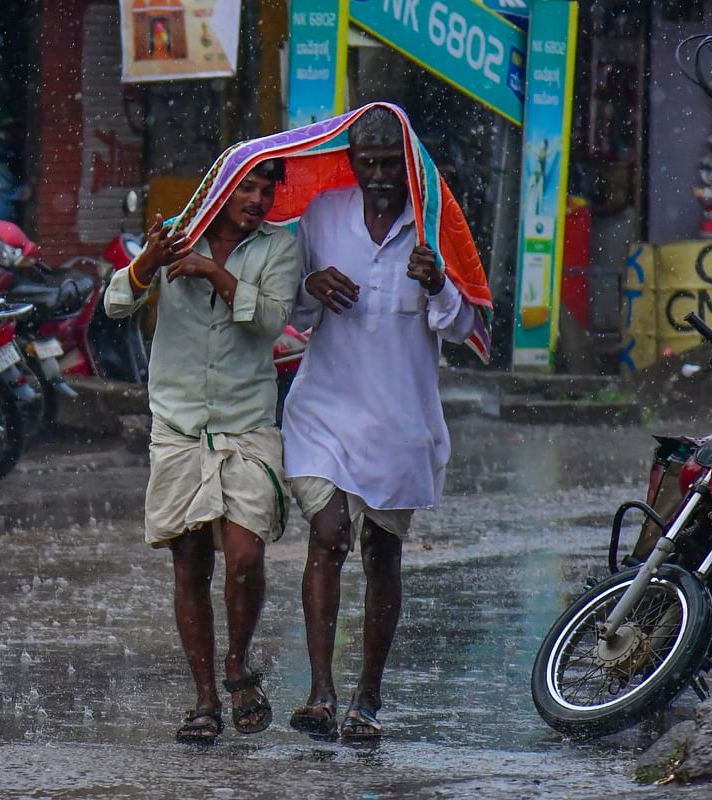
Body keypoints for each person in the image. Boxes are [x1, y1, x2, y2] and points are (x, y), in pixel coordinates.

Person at [282, 107, 480, 739]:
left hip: (400, 421)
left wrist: (441, 284)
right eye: (366, 163)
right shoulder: (320, 216)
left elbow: (468, 327)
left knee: (381, 554)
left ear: (411, 163)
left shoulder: (434, 227)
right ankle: (319, 693)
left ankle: (367, 700)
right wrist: (311, 283)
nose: (378, 176)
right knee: (328, 537)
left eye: (389, 163)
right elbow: (290, 305)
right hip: (323, 409)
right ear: (351, 162)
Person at [104, 159, 298, 744]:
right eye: (248, 187)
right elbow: (115, 305)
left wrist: (216, 274)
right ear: (221, 188)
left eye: (267, 190)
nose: (258, 199)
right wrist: (147, 265)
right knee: (190, 561)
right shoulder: (174, 235)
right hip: (179, 425)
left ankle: (238, 664)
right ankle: (206, 700)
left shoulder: (279, 247)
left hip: (246, 425)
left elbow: (271, 323)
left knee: (244, 555)